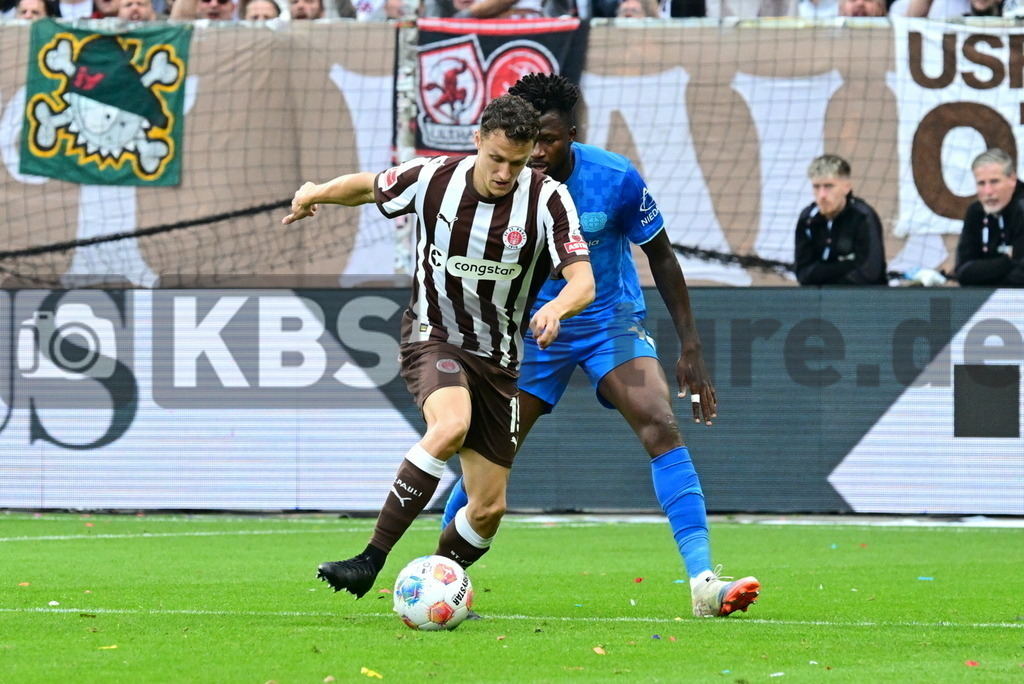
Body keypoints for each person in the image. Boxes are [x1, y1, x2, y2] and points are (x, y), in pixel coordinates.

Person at [440, 73, 759, 618]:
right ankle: (443, 574)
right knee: (491, 452)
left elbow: (661, 255)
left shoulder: (614, 177)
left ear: (572, 132)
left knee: (658, 420)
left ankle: (703, 583)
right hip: (534, 332)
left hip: (608, 320)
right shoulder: (499, 179)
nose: (538, 152)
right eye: (530, 140)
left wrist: (691, 347)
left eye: (551, 138)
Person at [282, 94, 595, 598]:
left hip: (499, 360)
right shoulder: (433, 178)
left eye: (516, 163)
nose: (503, 173)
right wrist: (314, 191)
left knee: (489, 509)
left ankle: (436, 582)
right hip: (435, 335)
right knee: (451, 425)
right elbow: (366, 187)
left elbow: (583, 280)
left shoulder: (548, 198)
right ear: (477, 142)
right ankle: (370, 559)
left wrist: (557, 308)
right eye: (496, 159)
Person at [794, 154, 887, 286]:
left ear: (847, 187)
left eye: (829, 186)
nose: (822, 195)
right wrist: (846, 265)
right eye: (816, 187)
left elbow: (869, 273)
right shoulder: (808, 219)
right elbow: (802, 273)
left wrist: (821, 273)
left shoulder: (863, 216)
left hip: (863, 301)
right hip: (819, 300)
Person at [955, 148, 1024, 287]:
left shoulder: (1021, 209)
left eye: (994, 182)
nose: (988, 192)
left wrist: (985, 276)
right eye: (981, 183)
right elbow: (963, 272)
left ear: (1012, 179)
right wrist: (1008, 261)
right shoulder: (976, 211)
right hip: (987, 301)